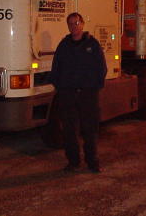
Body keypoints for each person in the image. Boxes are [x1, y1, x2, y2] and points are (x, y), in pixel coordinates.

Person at [50, 12, 107, 173]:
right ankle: (73, 162)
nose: (74, 27)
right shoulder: (63, 46)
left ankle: (92, 162)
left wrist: (93, 87)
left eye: (76, 23)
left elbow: (101, 68)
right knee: (69, 131)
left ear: (82, 24)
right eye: (70, 24)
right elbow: (56, 69)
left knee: (90, 130)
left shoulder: (92, 45)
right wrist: (61, 88)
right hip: (68, 94)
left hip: (88, 95)